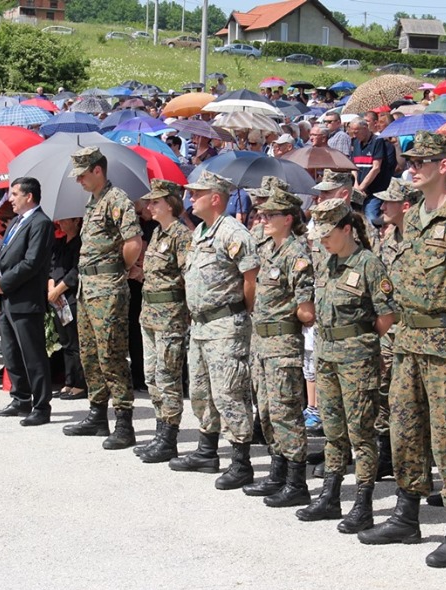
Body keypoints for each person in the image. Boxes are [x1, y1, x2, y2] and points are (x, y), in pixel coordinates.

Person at [360, 133, 446, 569]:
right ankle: (406, 511)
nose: (411, 167)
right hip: (408, 341)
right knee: (404, 428)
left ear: (444, 165)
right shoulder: (414, 216)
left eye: (421, 161)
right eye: (409, 160)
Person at [296, 197, 396, 531]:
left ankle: (364, 503)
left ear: (347, 229)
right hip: (327, 358)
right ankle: (331, 495)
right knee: (334, 432)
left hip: (356, 361)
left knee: (361, 434)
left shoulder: (368, 264)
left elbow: (386, 315)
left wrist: (358, 341)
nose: (322, 239)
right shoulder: (326, 263)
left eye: (328, 233)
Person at [169, 171, 259, 490]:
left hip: (225, 324)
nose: (191, 198)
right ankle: (207, 452)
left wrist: (239, 313)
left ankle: (241, 462)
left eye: (198, 193)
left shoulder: (233, 232)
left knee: (229, 392)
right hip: (201, 324)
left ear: (215, 198)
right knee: (201, 390)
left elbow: (251, 279)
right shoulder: (202, 231)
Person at [60, 148, 142, 447]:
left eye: (82, 174)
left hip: (107, 287)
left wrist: (119, 268)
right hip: (87, 287)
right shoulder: (93, 202)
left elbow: (133, 242)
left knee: (111, 354)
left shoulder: (116, 199)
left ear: (97, 170)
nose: (79, 180)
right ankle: (97, 414)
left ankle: (124, 422)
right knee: (90, 354)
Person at [241, 188, 315, 507]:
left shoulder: (296, 255)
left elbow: (306, 309)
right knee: (268, 411)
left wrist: (298, 315)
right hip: (262, 342)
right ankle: (277, 472)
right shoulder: (271, 250)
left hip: (283, 343)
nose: (263, 218)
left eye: (270, 215)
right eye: (262, 214)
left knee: (286, 412)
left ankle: (296, 482)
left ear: (287, 219)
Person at [133, 179, 192, 463]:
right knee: (152, 375)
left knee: (168, 377)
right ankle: (160, 432)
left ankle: (168, 437)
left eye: (155, 202)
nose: (149, 206)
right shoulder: (158, 233)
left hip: (170, 317)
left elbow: (187, 277)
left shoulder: (181, 235)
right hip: (150, 315)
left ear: (170, 203)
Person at [0, 177, 55, 427]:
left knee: (33, 355)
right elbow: (1, 254)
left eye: (15, 194)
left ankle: (41, 405)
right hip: (7, 298)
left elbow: (32, 262)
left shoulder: (41, 223)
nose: (11, 199)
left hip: (25, 299)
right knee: (11, 352)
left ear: (29, 196)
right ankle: (20, 398)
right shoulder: (17, 221)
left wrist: (4, 282)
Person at [48, 216, 86, 401]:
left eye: (65, 220)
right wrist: (51, 290)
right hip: (56, 297)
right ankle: (69, 382)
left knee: (74, 341)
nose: (61, 223)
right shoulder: (59, 242)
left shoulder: (80, 242)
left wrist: (58, 290)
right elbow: (51, 267)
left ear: (75, 221)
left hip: (70, 296)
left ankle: (80, 384)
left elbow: (75, 271)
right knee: (65, 342)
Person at [350, 119, 395, 224]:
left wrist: (362, 187)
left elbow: (376, 168)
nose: (354, 135)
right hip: (359, 191)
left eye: (356, 132)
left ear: (365, 129)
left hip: (375, 191)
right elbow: (354, 167)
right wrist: (356, 186)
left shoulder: (377, 141)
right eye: (352, 132)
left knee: (371, 216)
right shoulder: (355, 142)